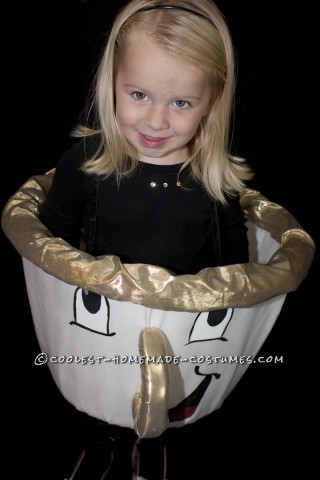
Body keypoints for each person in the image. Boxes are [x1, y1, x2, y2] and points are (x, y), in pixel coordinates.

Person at [36, 0, 254, 478]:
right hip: (96, 332)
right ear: (111, 82)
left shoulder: (213, 183)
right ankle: (103, 443)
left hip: (180, 342)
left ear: (212, 102)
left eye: (181, 103)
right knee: (99, 411)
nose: (156, 122)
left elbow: (234, 264)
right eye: (138, 94)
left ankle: (156, 452)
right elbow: (49, 244)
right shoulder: (84, 165)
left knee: (171, 419)